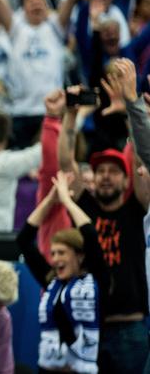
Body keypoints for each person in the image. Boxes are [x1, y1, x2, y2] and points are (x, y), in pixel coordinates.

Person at [58, 60, 150, 374]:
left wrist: (128, 111)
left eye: (114, 171)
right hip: (89, 325)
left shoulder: (136, 208)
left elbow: (143, 157)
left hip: (131, 327)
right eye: (100, 172)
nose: (107, 177)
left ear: (126, 180)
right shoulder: (87, 209)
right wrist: (70, 114)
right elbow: (65, 162)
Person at [17, 171, 109, 373]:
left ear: (80, 256)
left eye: (62, 253)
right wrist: (51, 199)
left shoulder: (98, 278)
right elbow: (24, 239)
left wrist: (67, 201)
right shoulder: (51, 281)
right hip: (49, 368)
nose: (55, 259)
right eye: (53, 253)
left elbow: (90, 234)